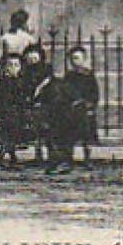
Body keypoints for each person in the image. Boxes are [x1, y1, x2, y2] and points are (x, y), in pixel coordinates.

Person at [42, 46, 99, 175]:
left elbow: (94, 96)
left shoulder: (88, 76)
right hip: (69, 110)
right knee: (59, 123)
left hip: (83, 110)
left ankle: (68, 160)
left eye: (77, 58)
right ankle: (62, 159)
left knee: (73, 122)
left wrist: (86, 104)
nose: (75, 61)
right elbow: (64, 93)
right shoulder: (69, 76)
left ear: (84, 59)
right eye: (72, 58)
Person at [0, 53, 32, 168]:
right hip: (6, 112)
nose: (13, 68)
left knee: (13, 136)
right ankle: (2, 157)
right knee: (7, 136)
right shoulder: (4, 82)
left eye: (16, 65)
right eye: (10, 65)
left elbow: (24, 96)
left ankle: (9, 157)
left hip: (18, 113)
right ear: (5, 68)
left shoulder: (21, 81)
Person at [21, 43, 52, 164]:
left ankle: (50, 154)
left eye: (35, 58)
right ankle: (38, 154)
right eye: (30, 58)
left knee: (47, 129)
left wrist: (40, 89)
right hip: (30, 102)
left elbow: (48, 83)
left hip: (44, 102)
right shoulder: (25, 72)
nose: (33, 61)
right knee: (35, 130)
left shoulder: (46, 69)